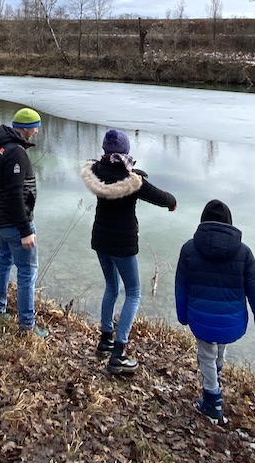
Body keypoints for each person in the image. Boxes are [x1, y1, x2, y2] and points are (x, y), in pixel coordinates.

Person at [81, 128, 177, 374]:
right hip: (123, 244)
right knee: (133, 293)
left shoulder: (96, 171)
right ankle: (119, 353)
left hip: (101, 240)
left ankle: (105, 340)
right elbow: (163, 197)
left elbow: (108, 171)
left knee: (112, 287)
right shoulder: (133, 181)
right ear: (125, 152)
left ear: (105, 151)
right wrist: (173, 203)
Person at [174, 198, 255, 425]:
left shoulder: (189, 248)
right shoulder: (244, 253)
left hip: (200, 317)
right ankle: (216, 376)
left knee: (205, 355)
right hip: (232, 321)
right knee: (219, 346)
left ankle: (212, 402)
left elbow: (181, 286)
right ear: (229, 223)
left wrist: (182, 316)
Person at [0, 107, 47, 338]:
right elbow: (14, 193)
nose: (37, 132)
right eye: (36, 127)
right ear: (25, 128)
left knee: (4, 260)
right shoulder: (16, 153)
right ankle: (27, 325)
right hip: (14, 223)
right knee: (27, 271)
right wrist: (25, 229)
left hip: (0, 220)